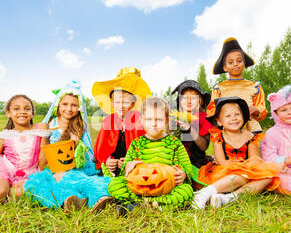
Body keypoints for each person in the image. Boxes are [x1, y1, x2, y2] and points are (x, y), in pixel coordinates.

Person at [23, 81, 114, 211]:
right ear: (58, 104)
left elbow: (87, 158)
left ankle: (96, 196)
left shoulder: (80, 126)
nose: (69, 109)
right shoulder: (49, 125)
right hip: (53, 170)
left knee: (76, 178)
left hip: (75, 169)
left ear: (79, 107)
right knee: (37, 185)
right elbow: (41, 161)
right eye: (65, 104)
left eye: (74, 105)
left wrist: (77, 145)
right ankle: (71, 199)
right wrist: (44, 134)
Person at [192, 97, 281, 209]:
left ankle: (229, 198)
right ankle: (204, 193)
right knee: (243, 174)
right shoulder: (218, 136)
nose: (233, 118)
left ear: (243, 117)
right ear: (219, 121)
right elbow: (221, 161)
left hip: (246, 170)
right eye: (228, 116)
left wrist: (247, 168)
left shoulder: (250, 136)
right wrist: (240, 168)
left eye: (237, 115)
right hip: (224, 171)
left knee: (267, 176)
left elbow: (254, 159)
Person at [107, 97, 194, 211]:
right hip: (140, 186)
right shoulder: (137, 144)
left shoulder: (174, 143)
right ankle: (154, 205)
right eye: (149, 119)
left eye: (159, 119)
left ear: (167, 121)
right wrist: (128, 166)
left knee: (186, 190)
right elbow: (126, 171)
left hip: (167, 187)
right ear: (142, 121)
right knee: (115, 184)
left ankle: (147, 204)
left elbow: (186, 165)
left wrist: (183, 174)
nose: (154, 124)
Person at [92, 67, 152, 177]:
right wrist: (108, 160)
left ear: (133, 104)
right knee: (105, 181)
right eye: (117, 102)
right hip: (112, 168)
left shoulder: (140, 121)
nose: (121, 106)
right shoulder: (108, 121)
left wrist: (130, 161)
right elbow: (101, 149)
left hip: (135, 167)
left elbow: (147, 149)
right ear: (112, 102)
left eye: (125, 102)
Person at [206, 37, 267, 133]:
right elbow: (211, 111)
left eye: (239, 61)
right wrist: (222, 115)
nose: (235, 64)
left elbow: (262, 109)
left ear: (244, 63)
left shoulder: (254, 86)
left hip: (251, 129)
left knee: (252, 148)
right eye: (230, 62)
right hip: (228, 129)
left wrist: (256, 110)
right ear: (225, 67)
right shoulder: (219, 88)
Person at [170, 80, 213, 189]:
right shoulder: (174, 118)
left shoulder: (204, 119)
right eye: (185, 98)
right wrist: (173, 130)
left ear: (200, 101)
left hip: (195, 161)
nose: (189, 101)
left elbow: (204, 146)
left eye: (193, 98)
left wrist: (190, 129)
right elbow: (168, 141)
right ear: (179, 102)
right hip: (176, 160)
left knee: (197, 181)